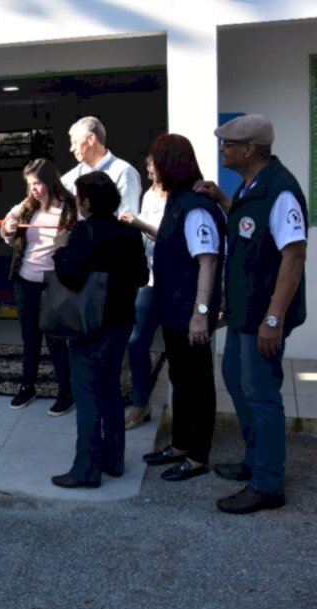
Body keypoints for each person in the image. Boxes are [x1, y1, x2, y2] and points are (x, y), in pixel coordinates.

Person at [195, 114, 307, 514]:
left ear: (250, 150)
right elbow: (248, 228)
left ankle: (268, 485)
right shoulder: (252, 188)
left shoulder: (281, 191)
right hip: (244, 312)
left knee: (261, 394)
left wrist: (274, 319)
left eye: (229, 144)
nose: (223, 150)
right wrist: (223, 201)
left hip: (263, 315)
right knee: (236, 381)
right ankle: (255, 461)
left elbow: (294, 256)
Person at [50, 172, 148, 489]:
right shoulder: (129, 234)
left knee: (87, 393)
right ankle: (113, 460)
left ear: (87, 201)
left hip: (89, 323)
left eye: (79, 197)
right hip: (121, 322)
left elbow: (71, 276)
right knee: (110, 392)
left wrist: (59, 249)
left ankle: (85, 469)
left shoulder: (83, 232)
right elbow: (142, 276)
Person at [141, 134, 226, 482]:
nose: (149, 171)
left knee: (197, 384)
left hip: (190, 316)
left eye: (153, 163)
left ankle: (196, 456)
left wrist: (200, 315)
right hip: (174, 313)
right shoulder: (178, 201)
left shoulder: (196, 208)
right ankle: (179, 445)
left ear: (169, 165)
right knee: (180, 379)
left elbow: (207, 262)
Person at [0, 158, 76, 416]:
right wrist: (7, 228)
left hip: (54, 284)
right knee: (29, 338)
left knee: (56, 340)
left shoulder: (70, 207)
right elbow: (4, 229)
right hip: (25, 282)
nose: (34, 189)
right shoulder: (25, 207)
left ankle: (66, 392)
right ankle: (27, 386)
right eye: (30, 184)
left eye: (38, 183)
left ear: (51, 181)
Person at [118, 156, 167, 429]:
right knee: (136, 342)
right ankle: (140, 403)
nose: (149, 175)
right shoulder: (149, 195)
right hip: (148, 279)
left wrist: (140, 226)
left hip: (174, 283)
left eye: (152, 169)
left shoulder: (182, 198)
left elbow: (171, 238)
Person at [61, 116, 142, 218]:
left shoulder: (124, 172)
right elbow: (54, 190)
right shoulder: (75, 173)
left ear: (91, 139)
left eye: (75, 143)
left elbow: (128, 219)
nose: (71, 149)